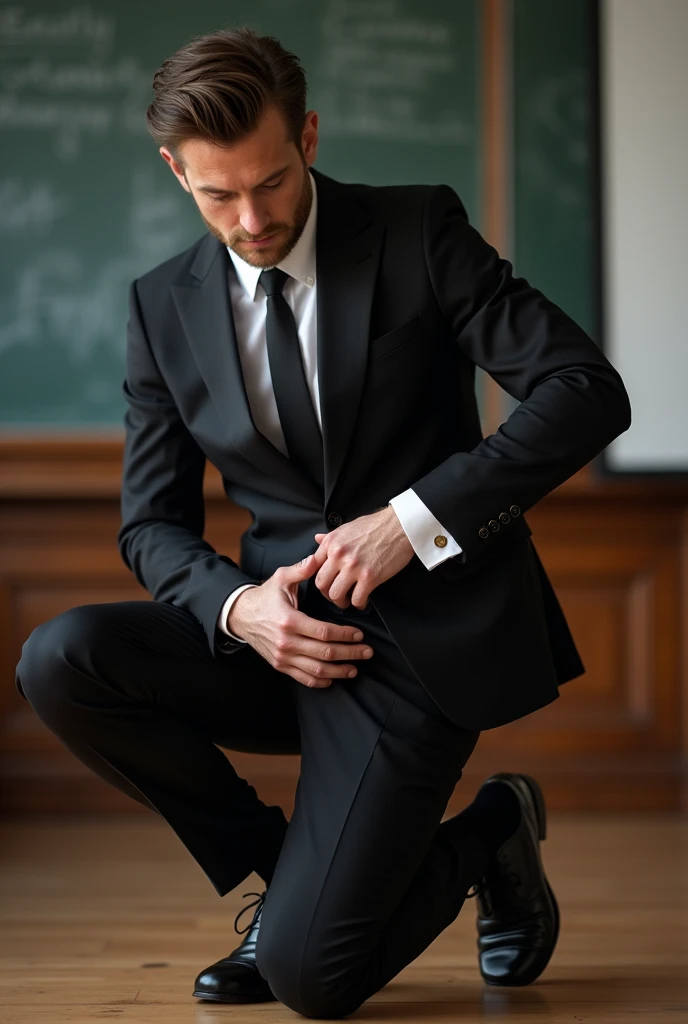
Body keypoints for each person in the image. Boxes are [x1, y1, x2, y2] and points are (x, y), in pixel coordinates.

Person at [14, 26, 631, 1018]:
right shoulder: (158, 307)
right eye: (219, 195)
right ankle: (282, 874)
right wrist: (241, 609)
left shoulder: (416, 231)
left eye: (271, 181)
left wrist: (413, 520)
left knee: (312, 982)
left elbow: (582, 389)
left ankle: (488, 833)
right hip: (276, 639)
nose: (252, 219)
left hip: (419, 644)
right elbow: (150, 526)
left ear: (306, 134)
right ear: (174, 169)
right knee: (59, 659)